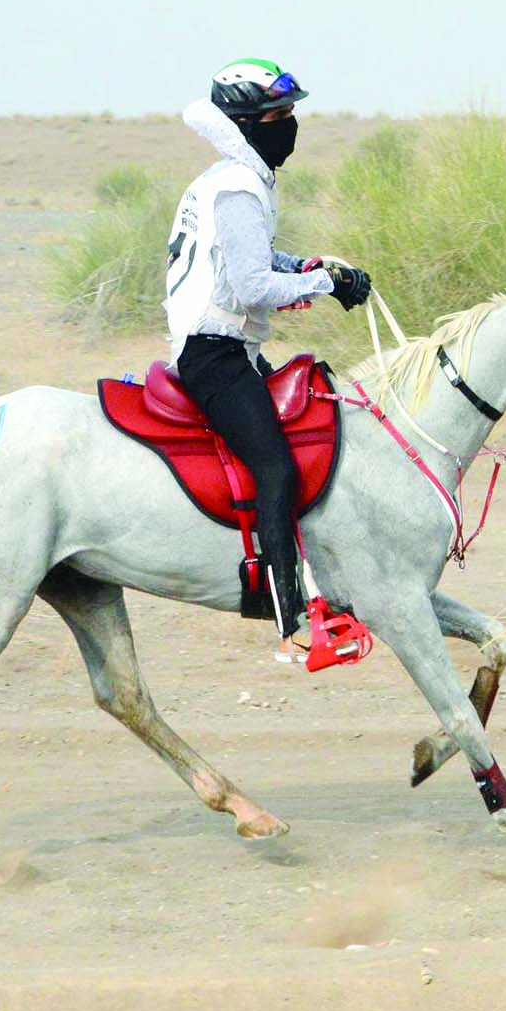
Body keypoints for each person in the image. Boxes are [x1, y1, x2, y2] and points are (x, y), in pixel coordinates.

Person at [162, 57, 371, 658]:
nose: (290, 125)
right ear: (247, 124)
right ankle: (295, 621)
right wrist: (327, 287)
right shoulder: (237, 185)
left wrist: (312, 267)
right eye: (279, 116)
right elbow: (252, 286)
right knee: (276, 469)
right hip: (214, 356)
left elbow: (262, 259)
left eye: (291, 114)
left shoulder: (235, 179)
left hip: (231, 348)